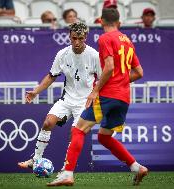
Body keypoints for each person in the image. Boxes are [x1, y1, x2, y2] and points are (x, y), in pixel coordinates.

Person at [47, 8, 147, 187]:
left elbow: (108, 67)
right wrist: (121, 80)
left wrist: (95, 90)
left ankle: (67, 174)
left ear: (101, 22)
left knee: (78, 130)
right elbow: (139, 72)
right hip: (123, 98)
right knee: (104, 137)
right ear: (120, 23)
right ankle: (136, 167)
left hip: (108, 95)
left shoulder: (105, 38)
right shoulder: (128, 41)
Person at [17, 22, 102, 171]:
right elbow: (51, 76)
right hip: (66, 99)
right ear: (69, 36)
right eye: (74, 38)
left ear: (85, 37)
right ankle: (35, 159)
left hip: (85, 102)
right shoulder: (62, 54)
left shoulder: (94, 55)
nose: (76, 42)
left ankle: (66, 169)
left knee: (74, 133)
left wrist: (98, 97)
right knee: (48, 122)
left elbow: (102, 80)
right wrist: (36, 91)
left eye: (80, 38)